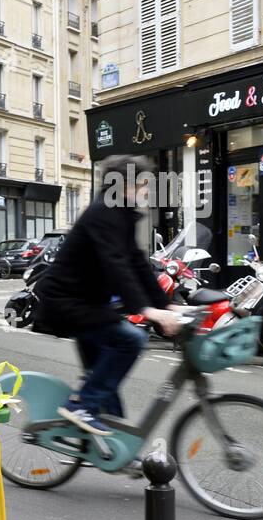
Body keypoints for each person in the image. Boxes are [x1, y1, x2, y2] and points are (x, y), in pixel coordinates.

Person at [33, 155, 181, 435]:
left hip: (87, 304)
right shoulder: (103, 212)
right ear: (126, 184)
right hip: (67, 304)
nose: (147, 190)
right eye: (143, 184)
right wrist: (148, 311)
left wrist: (168, 305)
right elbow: (116, 263)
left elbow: (137, 262)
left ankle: (117, 449)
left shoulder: (120, 214)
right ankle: (81, 407)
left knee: (104, 378)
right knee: (131, 340)